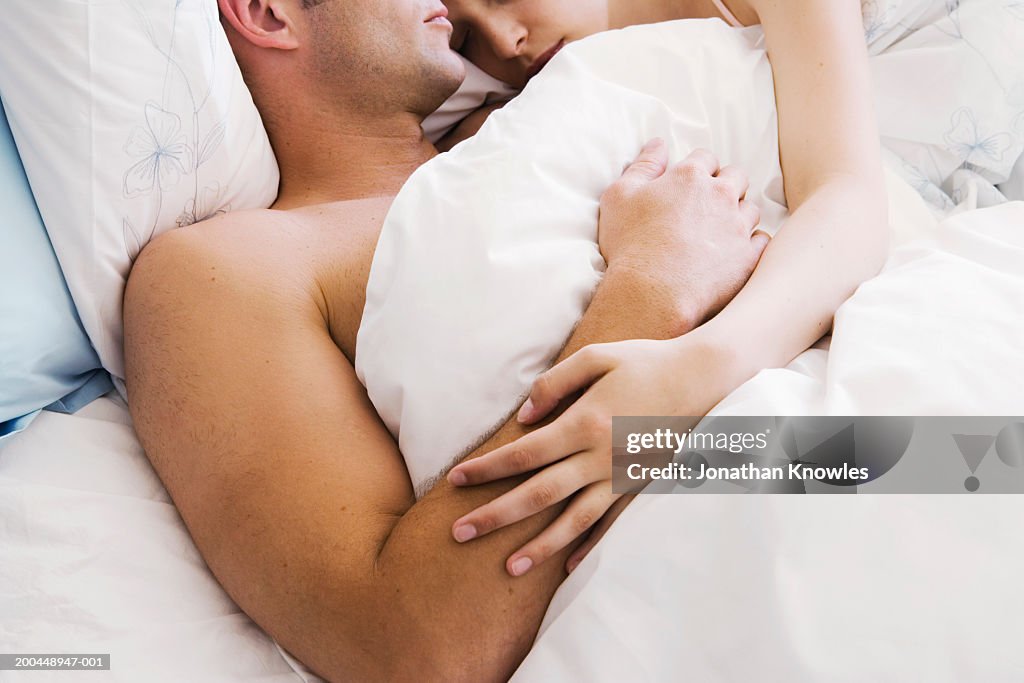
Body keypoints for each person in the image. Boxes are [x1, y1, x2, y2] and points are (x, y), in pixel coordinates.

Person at [123, 0, 766, 679]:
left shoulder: (560, 104)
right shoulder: (226, 271)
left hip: (860, 450)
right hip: (772, 526)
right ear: (267, 12)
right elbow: (407, 649)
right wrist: (649, 294)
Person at [441, 0, 890, 574]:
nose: (505, 43)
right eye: (465, 41)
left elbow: (846, 196)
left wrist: (695, 371)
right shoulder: (504, 119)